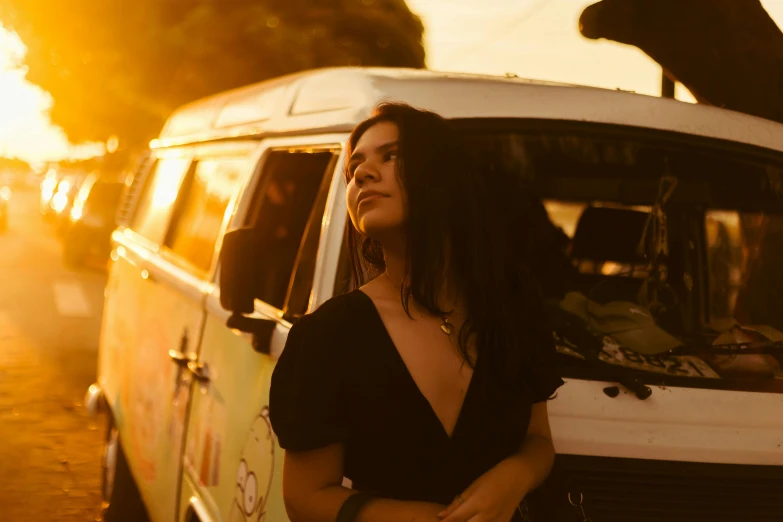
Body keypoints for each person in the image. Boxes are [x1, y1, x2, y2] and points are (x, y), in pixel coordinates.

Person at [269, 103, 564, 522]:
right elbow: (305, 497)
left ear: (447, 179)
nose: (362, 173)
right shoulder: (328, 334)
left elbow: (538, 439)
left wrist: (514, 476)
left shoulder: (512, 308)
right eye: (355, 167)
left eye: (391, 156)